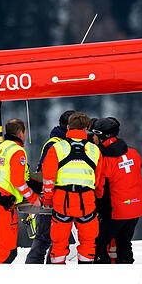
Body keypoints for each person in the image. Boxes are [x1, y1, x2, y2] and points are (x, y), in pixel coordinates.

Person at [41, 112, 101, 264]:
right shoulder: (95, 150)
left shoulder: (57, 148)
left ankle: (58, 274)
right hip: (86, 201)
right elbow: (98, 179)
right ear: (87, 128)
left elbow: (48, 178)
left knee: (59, 243)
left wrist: (47, 199)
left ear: (68, 127)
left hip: (63, 200)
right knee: (88, 242)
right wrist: (98, 198)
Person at [0, 118, 40, 263]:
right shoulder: (17, 151)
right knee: (7, 251)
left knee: (0, 248)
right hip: (1, 203)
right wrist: (33, 198)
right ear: (20, 133)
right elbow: (18, 181)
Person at [91, 117, 142, 264]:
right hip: (136, 206)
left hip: (118, 210)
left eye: (94, 135)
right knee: (124, 242)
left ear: (101, 136)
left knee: (99, 244)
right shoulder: (133, 153)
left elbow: (99, 187)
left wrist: (95, 205)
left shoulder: (104, 159)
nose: (93, 138)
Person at [25, 109, 74, 264]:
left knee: (54, 240)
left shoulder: (60, 142)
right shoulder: (56, 144)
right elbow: (47, 172)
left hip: (56, 196)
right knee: (44, 238)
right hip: (50, 196)